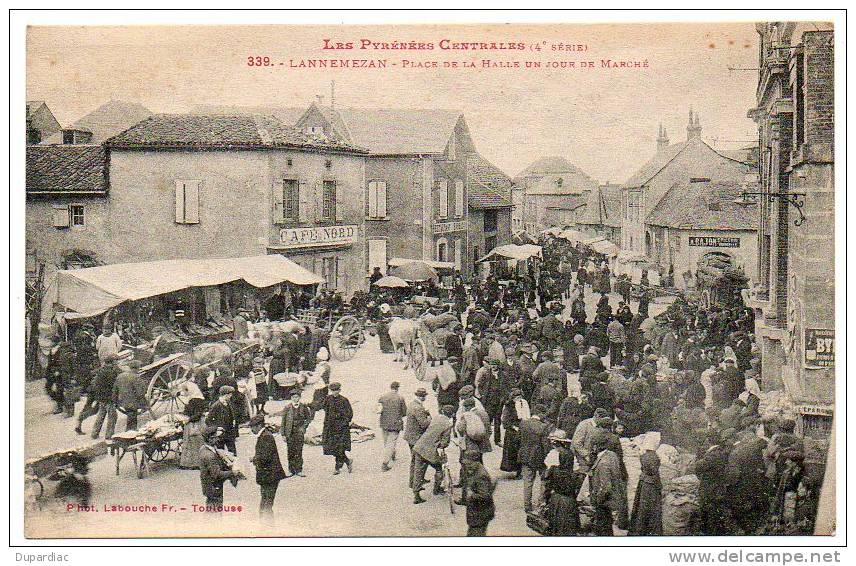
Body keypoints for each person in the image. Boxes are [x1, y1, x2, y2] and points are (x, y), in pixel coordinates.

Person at [411, 405, 454, 504]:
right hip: (430, 451)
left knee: (418, 472)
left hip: (419, 446)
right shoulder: (448, 424)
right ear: (452, 414)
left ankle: (416, 496)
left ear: (442, 411)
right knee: (439, 468)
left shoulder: (436, 417)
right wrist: (441, 445)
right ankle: (437, 489)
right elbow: (445, 442)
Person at [589, 429, 628, 535]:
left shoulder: (603, 463)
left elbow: (605, 487)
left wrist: (597, 500)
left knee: (603, 529)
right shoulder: (612, 455)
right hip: (612, 501)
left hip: (604, 503)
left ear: (596, 447)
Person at [250, 415, 287, 520]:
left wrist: (254, 459)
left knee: (267, 504)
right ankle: (264, 524)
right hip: (268, 475)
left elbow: (265, 457)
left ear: (258, 426)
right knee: (265, 501)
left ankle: (267, 526)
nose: (251, 429)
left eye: (252, 427)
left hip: (270, 476)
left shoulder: (266, 436)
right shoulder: (265, 434)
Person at [519, 405, 551, 513]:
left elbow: (519, 439)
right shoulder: (543, 427)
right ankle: (540, 502)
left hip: (525, 455)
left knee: (527, 481)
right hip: (539, 457)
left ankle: (527, 506)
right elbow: (545, 445)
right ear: (541, 413)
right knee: (544, 480)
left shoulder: (523, 424)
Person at [199, 426, 239, 513]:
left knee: (211, 509)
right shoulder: (210, 456)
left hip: (209, 486)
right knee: (215, 512)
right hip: (214, 488)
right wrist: (232, 473)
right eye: (215, 437)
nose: (218, 439)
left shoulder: (204, 448)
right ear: (210, 439)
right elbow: (217, 474)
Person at [629, 437, 663, 535]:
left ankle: (639, 528)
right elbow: (653, 471)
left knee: (641, 507)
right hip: (651, 484)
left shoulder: (644, 455)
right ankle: (649, 529)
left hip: (644, 481)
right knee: (649, 508)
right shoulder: (653, 456)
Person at [462, 449, 496, 536]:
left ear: (476, 461)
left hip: (481, 514)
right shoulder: (473, 470)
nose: (466, 465)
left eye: (469, 463)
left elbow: (485, 495)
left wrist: (471, 495)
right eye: (465, 463)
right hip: (476, 514)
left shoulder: (481, 475)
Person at [322, 382, 353, 474]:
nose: (334, 392)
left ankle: (337, 468)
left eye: (336, 390)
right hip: (330, 427)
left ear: (339, 390)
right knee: (332, 447)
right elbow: (324, 408)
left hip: (341, 428)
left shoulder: (344, 400)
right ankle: (347, 461)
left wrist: (343, 422)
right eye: (332, 391)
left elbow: (349, 414)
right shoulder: (328, 399)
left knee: (339, 447)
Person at [403, 388, 432, 488]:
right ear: (422, 396)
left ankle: (413, 481)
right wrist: (428, 417)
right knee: (419, 462)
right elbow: (424, 424)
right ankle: (417, 482)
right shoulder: (418, 408)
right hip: (416, 437)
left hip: (410, 436)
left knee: (414, 460)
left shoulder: (412, 404)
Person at [377, 381, 408, 472]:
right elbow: (404, 412)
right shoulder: (400, 398)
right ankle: (385, 463)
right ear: (397, 388)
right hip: (395, 423)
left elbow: (378, 409)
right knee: (391, 443)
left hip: (384, 423)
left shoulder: (382, 397)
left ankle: (392, 454)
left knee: (386, 441)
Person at [280, 389, 312, 477]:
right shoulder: (287, 408)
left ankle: (299, 470)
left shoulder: (303, 407)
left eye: (297, 397)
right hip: (289, 432)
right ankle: (291, 470)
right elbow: (283, 422)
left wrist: (304, 427)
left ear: (299, 397)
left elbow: (309, 418)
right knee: (290, 451)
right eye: (293, 397)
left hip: (299, 432)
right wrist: (283, 434)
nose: (295, 399)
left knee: (299, 450)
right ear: (291, 398)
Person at [87, 355, 120, 439]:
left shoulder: (102, 370)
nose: (117, 362)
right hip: (108, 398)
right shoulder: (110, 372)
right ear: (112, 362)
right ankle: (109, 435)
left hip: (101, 397)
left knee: (101, 415)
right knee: (113, 416)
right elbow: (115, 383)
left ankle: (94, 433)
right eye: (116, 361)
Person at [499, 389, 529, 478]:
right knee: (513, 452)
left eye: (520, 397)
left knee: (521, 451)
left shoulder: (524, 403)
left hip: (522, 429)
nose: (519, 399)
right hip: (512, 432)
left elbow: (526, 416)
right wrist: (514, 427)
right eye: (517, 397)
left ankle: (520, 471)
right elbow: (505, 420)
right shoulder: (508, 406)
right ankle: (514, 469)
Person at [112, 360, 148, 432]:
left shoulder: (120, 376)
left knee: (130, 417)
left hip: (122, 401)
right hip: (133, 402)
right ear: (136, 368)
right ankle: (130, 434)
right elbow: (141, 392)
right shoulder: (135, 377)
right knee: (132, 419)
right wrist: (144, 403)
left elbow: (115, 390)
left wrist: (115, 401)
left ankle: (129, 432)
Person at [179, 397, 207, 469]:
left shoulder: (197, 401)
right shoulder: (190, 401)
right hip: (191, 424)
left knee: (196, 444)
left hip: (196, 425)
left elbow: (198, 414)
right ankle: (191, 463)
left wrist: (188, 419)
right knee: (191, 444)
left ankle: (196, 463)